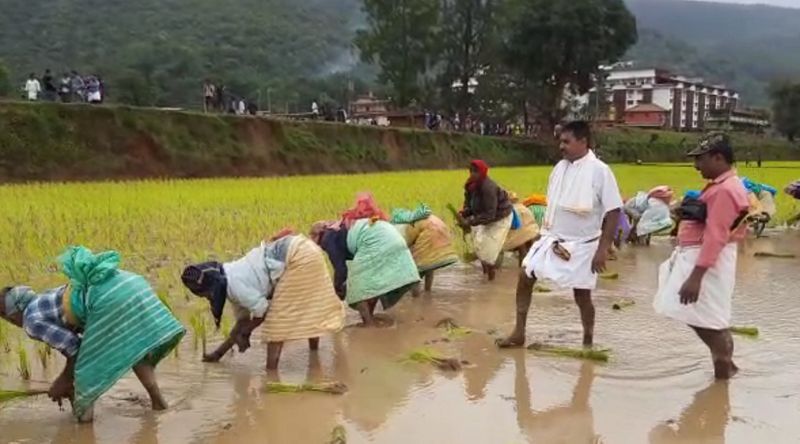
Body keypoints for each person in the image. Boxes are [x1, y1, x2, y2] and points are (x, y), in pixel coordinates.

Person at [0, 246, 184, 422]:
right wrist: (66, 380)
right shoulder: (45, 297)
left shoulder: (31, 321)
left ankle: (83, 424)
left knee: (84, 370)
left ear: (12, 315)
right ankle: (158, 402)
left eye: (7, 319)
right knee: (134, 349)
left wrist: (63, 381)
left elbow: (75, 349)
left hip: (108, 299)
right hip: (130, 283)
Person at [497, 121, 622, 349]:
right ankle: (519, 332)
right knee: (525, 276)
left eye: (566, 141)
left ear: (583, 142)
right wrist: (541, 237)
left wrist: (603, 249)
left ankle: (588, 340)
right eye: (560, 141)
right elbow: (553, 206)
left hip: (584, 245)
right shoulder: (559, 168)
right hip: (552, 239)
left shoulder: (600, 171)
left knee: (581, 296)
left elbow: (614, 211)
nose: (561, 146)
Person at [653, 133, 750, 380]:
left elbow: (716, 236)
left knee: (708, 319)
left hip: (704, 260)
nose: (696, 166)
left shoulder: (725, 190)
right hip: (701, 255)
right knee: (702, 315)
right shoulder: (723, 185)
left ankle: (722, 376)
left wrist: (696, 276)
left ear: (718, 158)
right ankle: (726, 365)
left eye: (701, 159)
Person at [181, 231, 345, 370]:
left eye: (204, 295)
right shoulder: (228, 275)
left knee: (276, 322)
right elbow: (241, 323)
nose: (206, 298)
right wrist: (218, 354)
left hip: (298, 256)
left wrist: (247, 332)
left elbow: (263, 311)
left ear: (211, 289)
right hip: (305, 248)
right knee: (308, 308)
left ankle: (271, 374)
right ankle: (314, 354)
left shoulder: (235, 286)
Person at [311, 193, 420, 326]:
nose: (320, 248)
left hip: (376, 244)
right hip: (396, 239)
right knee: (372, 283)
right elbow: (376, 222)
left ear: (319, 235)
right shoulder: (358, 222)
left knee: (356, 289)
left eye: (316, 243)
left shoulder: (328, 237)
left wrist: (338, 290)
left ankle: (369, 326)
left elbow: (340, 269)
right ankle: (371, 317)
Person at [456, 160, 513, 281]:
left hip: (500, 217)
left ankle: (491, 279)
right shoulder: (470, 185)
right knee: (479, 245)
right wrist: (464, 213)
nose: (472, 174)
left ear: (482, 172)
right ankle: (485, 274)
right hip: (483, 216)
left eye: (475, 171)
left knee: (489, 251)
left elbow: (490, 214)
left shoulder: (489, 188)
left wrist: (469, 222)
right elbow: (469, 204)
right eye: (471, 171)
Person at [391, 203, 458, 293]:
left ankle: (415, 295)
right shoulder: (421, 217)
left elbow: (408, 242)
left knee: (415, 270)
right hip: (442, 237)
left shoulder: (411, 223)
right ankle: (428, 291)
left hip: (430, 237)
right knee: (429, 265)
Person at [503, 193, 540, 267]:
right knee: (531, 252)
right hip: (532, 231)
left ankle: (522, 269)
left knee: (522, 251)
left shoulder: (511, 210)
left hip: (521, 233)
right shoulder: (523, 207)